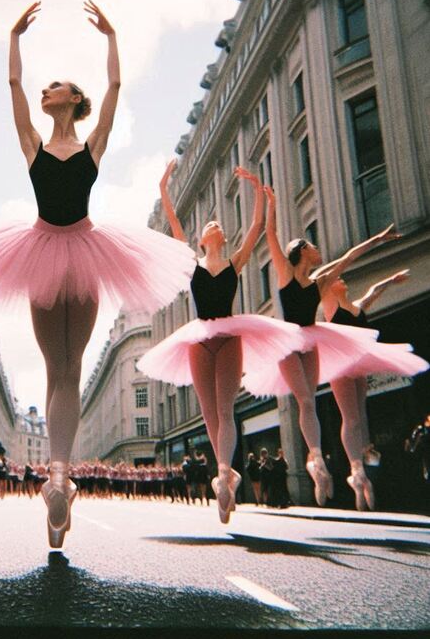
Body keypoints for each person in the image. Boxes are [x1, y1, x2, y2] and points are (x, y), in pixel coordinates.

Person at [0, 1, 195, 548]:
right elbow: (14, 86)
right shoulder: (71, 144)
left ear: (73, 100)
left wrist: (113, 36)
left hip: (58, 250)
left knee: (60, 369)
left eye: (57, 86)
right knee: (68, 369)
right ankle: (60, 477)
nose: (46, 90)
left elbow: (114, 88)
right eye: (46, 86)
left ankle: (57, 477)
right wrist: (12, 36)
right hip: (72, 248)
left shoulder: (58, 143)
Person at [138, 161, 302, 523]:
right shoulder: (192, 262)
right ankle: (225, 473)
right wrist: (163, 187)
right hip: (198, 338)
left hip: (228, 335)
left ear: (222, 239)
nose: (214, 224)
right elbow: (174, 224)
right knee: (209, 413)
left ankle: (224, 474)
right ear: (201, 241)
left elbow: (257, 228)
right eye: (209, 225)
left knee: (225, 410)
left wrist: (260, 190)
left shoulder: (234, 261)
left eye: (218, 225)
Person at [243, 186, 401, 506]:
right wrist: (272, 202)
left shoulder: (320, 282)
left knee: (310, 401)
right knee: (304, 399)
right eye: (312, 246)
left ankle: (347, 468)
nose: (318, 250)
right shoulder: (286, 272)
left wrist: (378, 239)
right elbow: (270, 233)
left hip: (311, 339)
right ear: (302, 251)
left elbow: (348, 257)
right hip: (289, 341)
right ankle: (316, 459)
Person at [322, 271, 427, 510]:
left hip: (359, 364)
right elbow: (326, 278)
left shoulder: (357, 306)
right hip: (339, 363)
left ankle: (364, 461)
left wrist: (391, 279)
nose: (342, 280)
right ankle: (356, 470)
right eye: (338, 279)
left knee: (360, 415)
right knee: (350, 416)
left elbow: (374, 290)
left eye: (343, 279)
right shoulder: (330, 305)